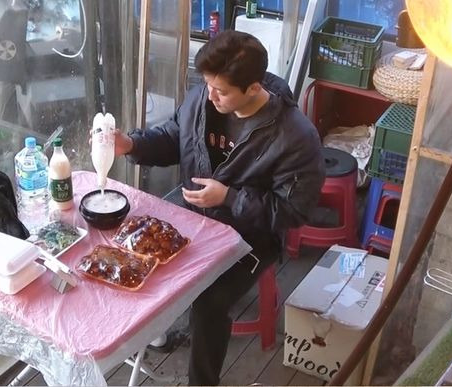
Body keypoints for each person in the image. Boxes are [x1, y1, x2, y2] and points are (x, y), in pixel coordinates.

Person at [113, 30, 325, 385]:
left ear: (254, 88)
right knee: (134, 249)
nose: (210, 96)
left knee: (209, 301)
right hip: (194, 212)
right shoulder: (203, 97)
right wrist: (131, 143)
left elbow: (292, 211)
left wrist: (228, 197)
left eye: (221, 91)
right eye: (207, 84)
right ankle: (154, 329)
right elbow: (172, 138)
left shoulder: (295, 137)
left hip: (250, 235)